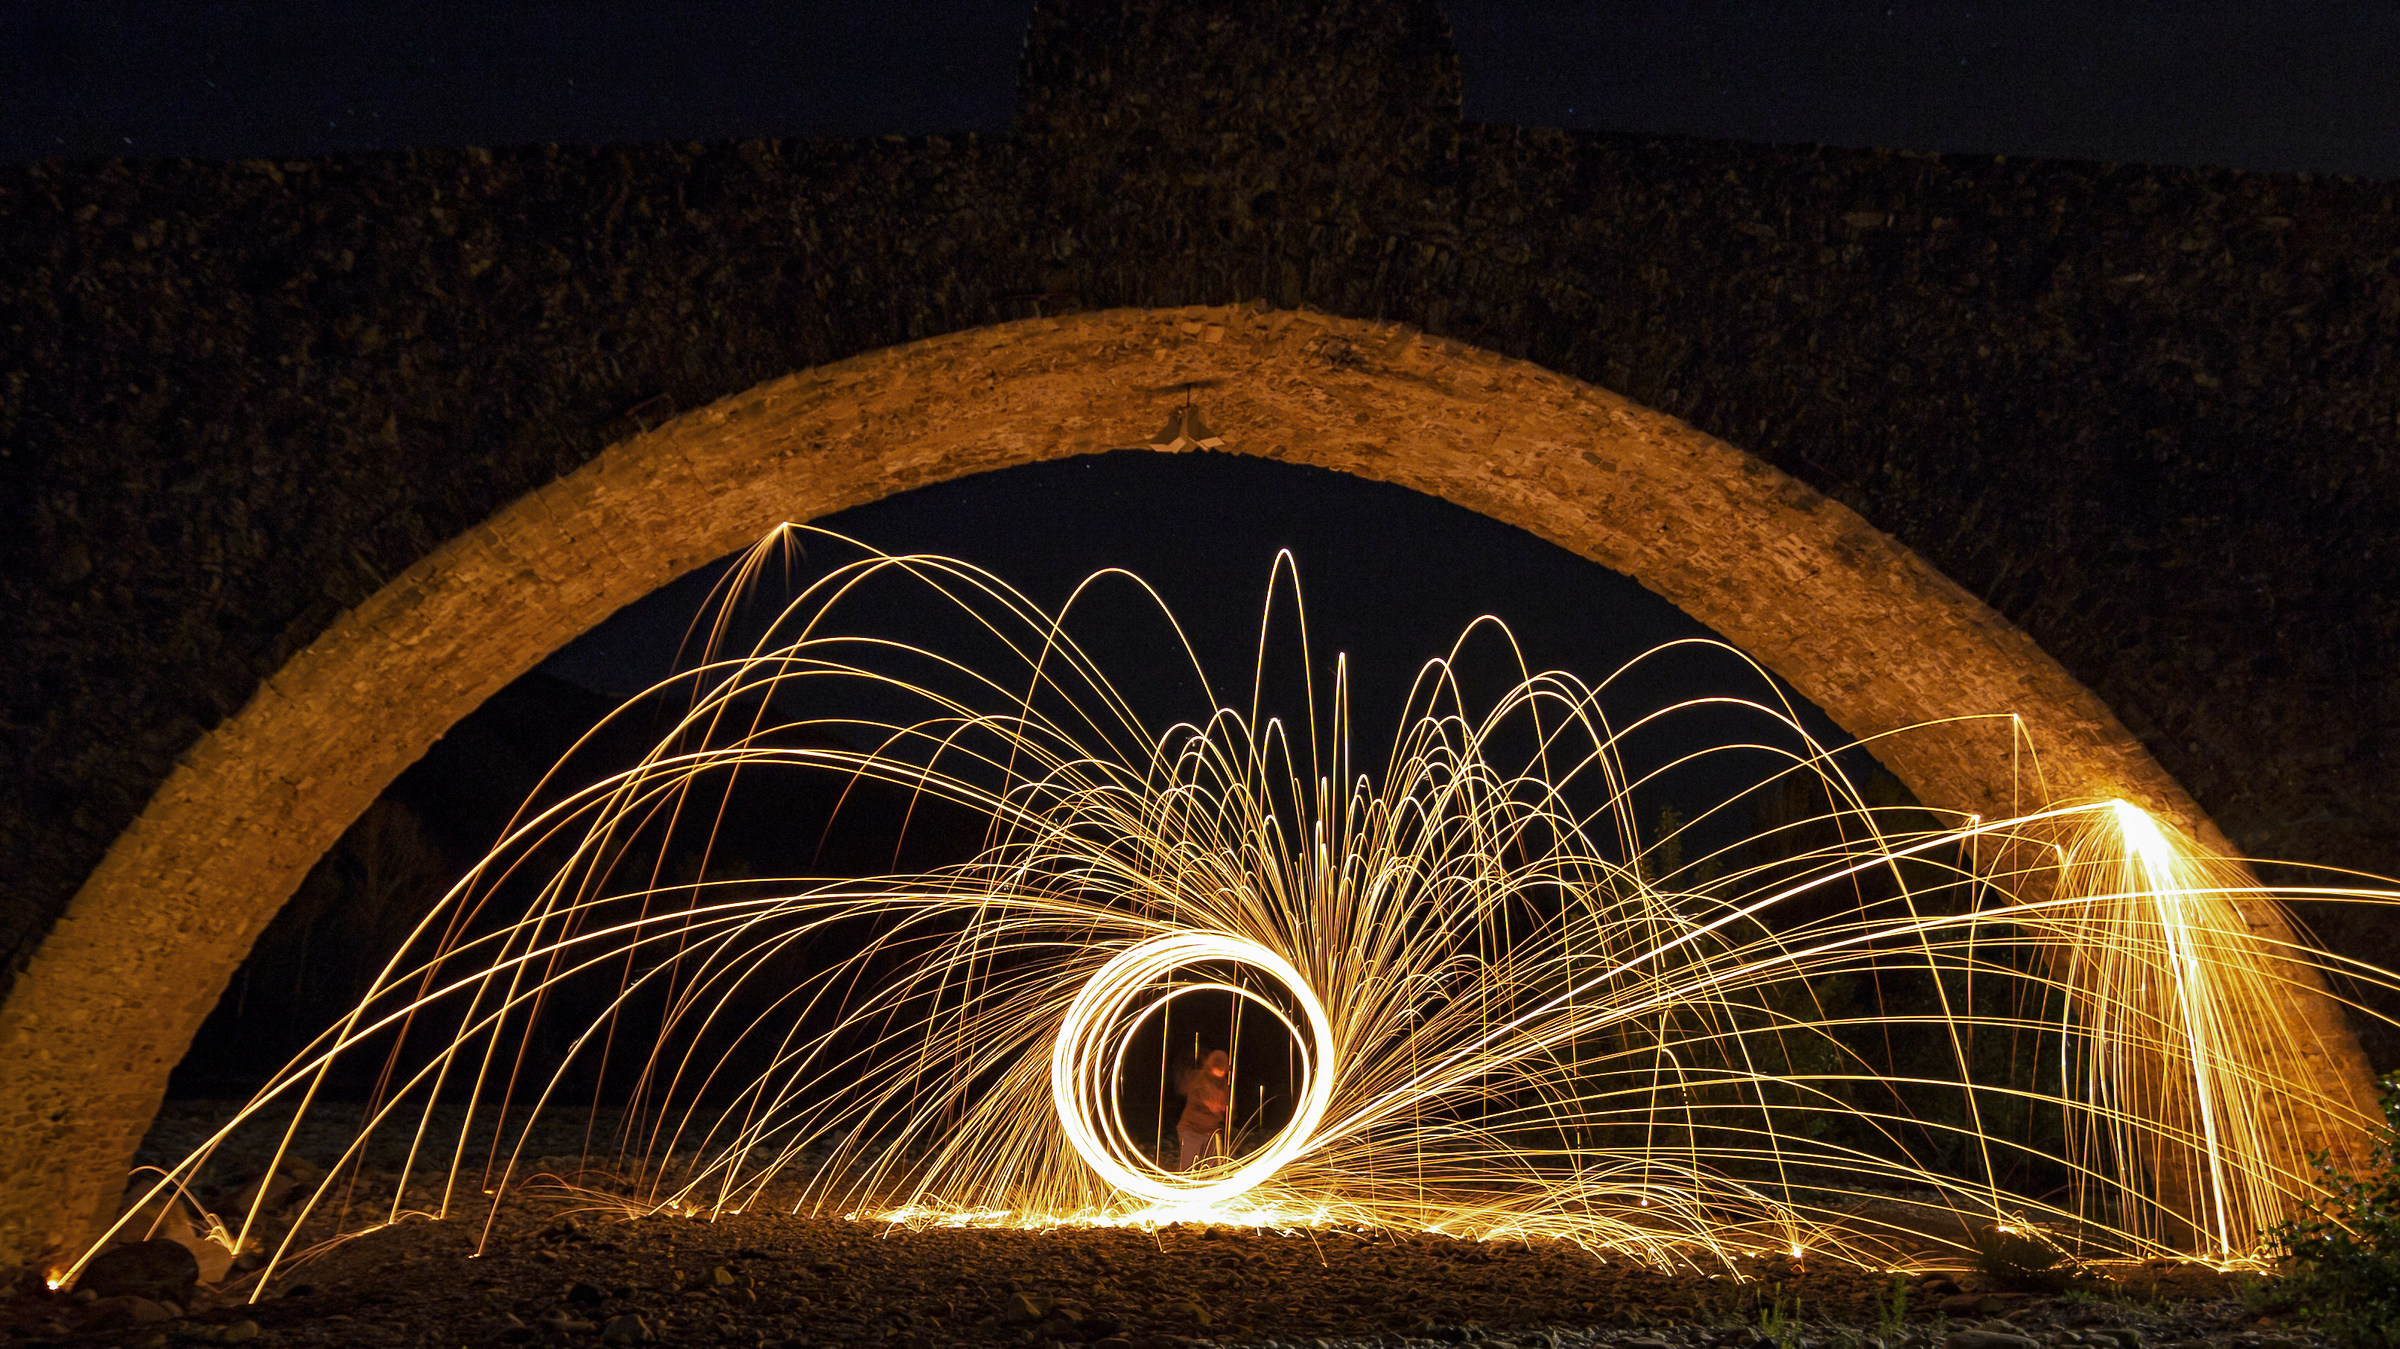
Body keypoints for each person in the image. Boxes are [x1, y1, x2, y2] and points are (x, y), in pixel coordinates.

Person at [1171, 1048, 1232, 1171]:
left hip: (1210, 1132)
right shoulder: (1199, 1078)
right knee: (1188, 1169)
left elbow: (1226, 1105)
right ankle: (1184, 1188)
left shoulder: (1223, 1084)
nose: (1221, 1072)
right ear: (1211, 1066)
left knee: (1214, 1169)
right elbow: (1194, 1093)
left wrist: (1225, 1110)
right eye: (1218, 1068)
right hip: (1191, 1130)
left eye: (1223, 1069)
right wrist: (1213, 1105)